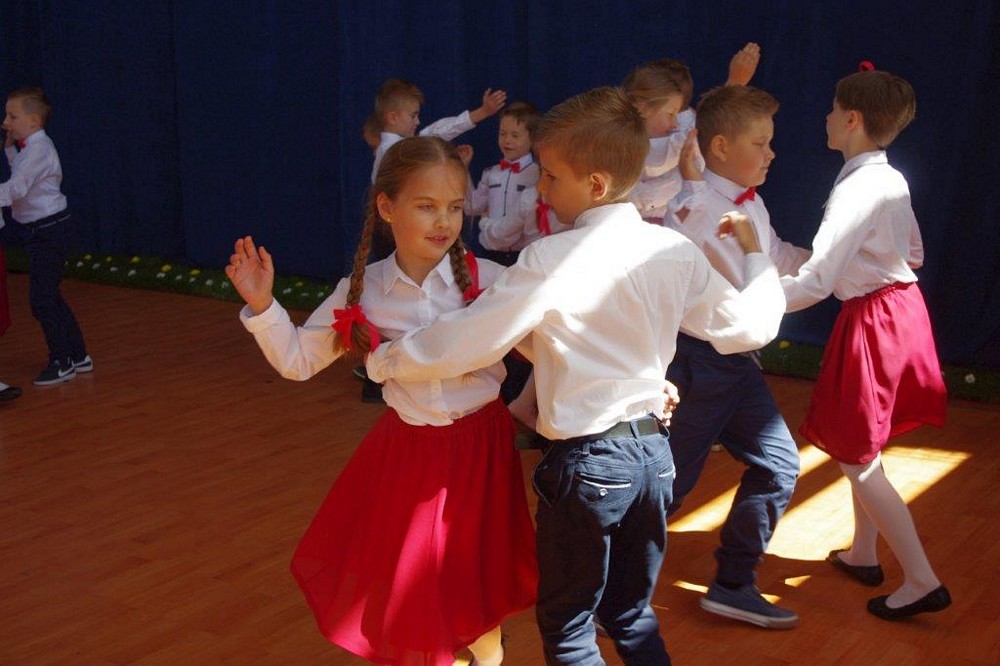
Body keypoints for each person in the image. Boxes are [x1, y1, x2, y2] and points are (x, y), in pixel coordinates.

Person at [366, 87, 787, 664]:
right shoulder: (674, 251)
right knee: (630, 614)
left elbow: (467, 341)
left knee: (569, 630)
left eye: (551, 176)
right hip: (653, 462)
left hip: (590, 467)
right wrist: (756, 256)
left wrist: (386, 360)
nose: (541, 188)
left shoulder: (551, 258)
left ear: (595, 184)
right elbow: (751, 327)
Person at [225, 137, 537, 664]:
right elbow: (298, 361)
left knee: (475, 584)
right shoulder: (363, 289)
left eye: (454, 207)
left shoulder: (492, 281)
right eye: (426, 206)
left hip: (482, 453)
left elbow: (554, 349)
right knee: (417, 587)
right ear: (387, 207)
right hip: (411, 455)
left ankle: (488, 655)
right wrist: (263, 305)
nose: (444, 221)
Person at [781, 67, 950, 620]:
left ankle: (921, 579)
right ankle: (862, 552)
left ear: (852, 119)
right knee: (862, 446)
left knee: (857, 456)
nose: (826, 117)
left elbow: (816, 282)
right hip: (899, 312)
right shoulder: (890, 177)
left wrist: (752, 304)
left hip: (875, 320)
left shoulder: (857, 187)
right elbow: (914, 252)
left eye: (833, 109)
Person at [664, 85, 811, 628]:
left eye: (770, 142)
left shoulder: (749, 202)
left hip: (735, 364)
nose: (772, 153)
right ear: (721, 146)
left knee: (779, 465)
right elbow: (761, 293)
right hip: (700, 363)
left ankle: (732, 584)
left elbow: (773, 257)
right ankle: (603, 588)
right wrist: (827, 279)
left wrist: (831, 262)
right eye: (760, 143)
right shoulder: (698, 211)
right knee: (667, 487)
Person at [0, 87, 91, 386]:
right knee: (50, 296)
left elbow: (17, 188)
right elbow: (20, 175)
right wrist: (10, 149)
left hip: (50, 231)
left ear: (34, 121)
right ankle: (78, 355)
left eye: (12, 116)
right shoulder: (31, 149)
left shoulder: (38, 150)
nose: (6, 122)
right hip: (46, 230)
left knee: (42, 301)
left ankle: (61, 361)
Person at [623, 43, 760, 224]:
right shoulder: (623, 141)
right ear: (641, 107)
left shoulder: (682, 126)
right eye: (670, 114)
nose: (675, 124)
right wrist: (733, 85)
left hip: (679, 224)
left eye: (678, 113)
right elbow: (674, 147)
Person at [363, 78, 507, 183]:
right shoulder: (395, 151)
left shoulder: (399, 147)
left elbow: (435, 132)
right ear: (392, 118)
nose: (417, 121)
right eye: (413, 116)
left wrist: (481, 113)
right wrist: (482, 112)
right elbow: (434, 134)